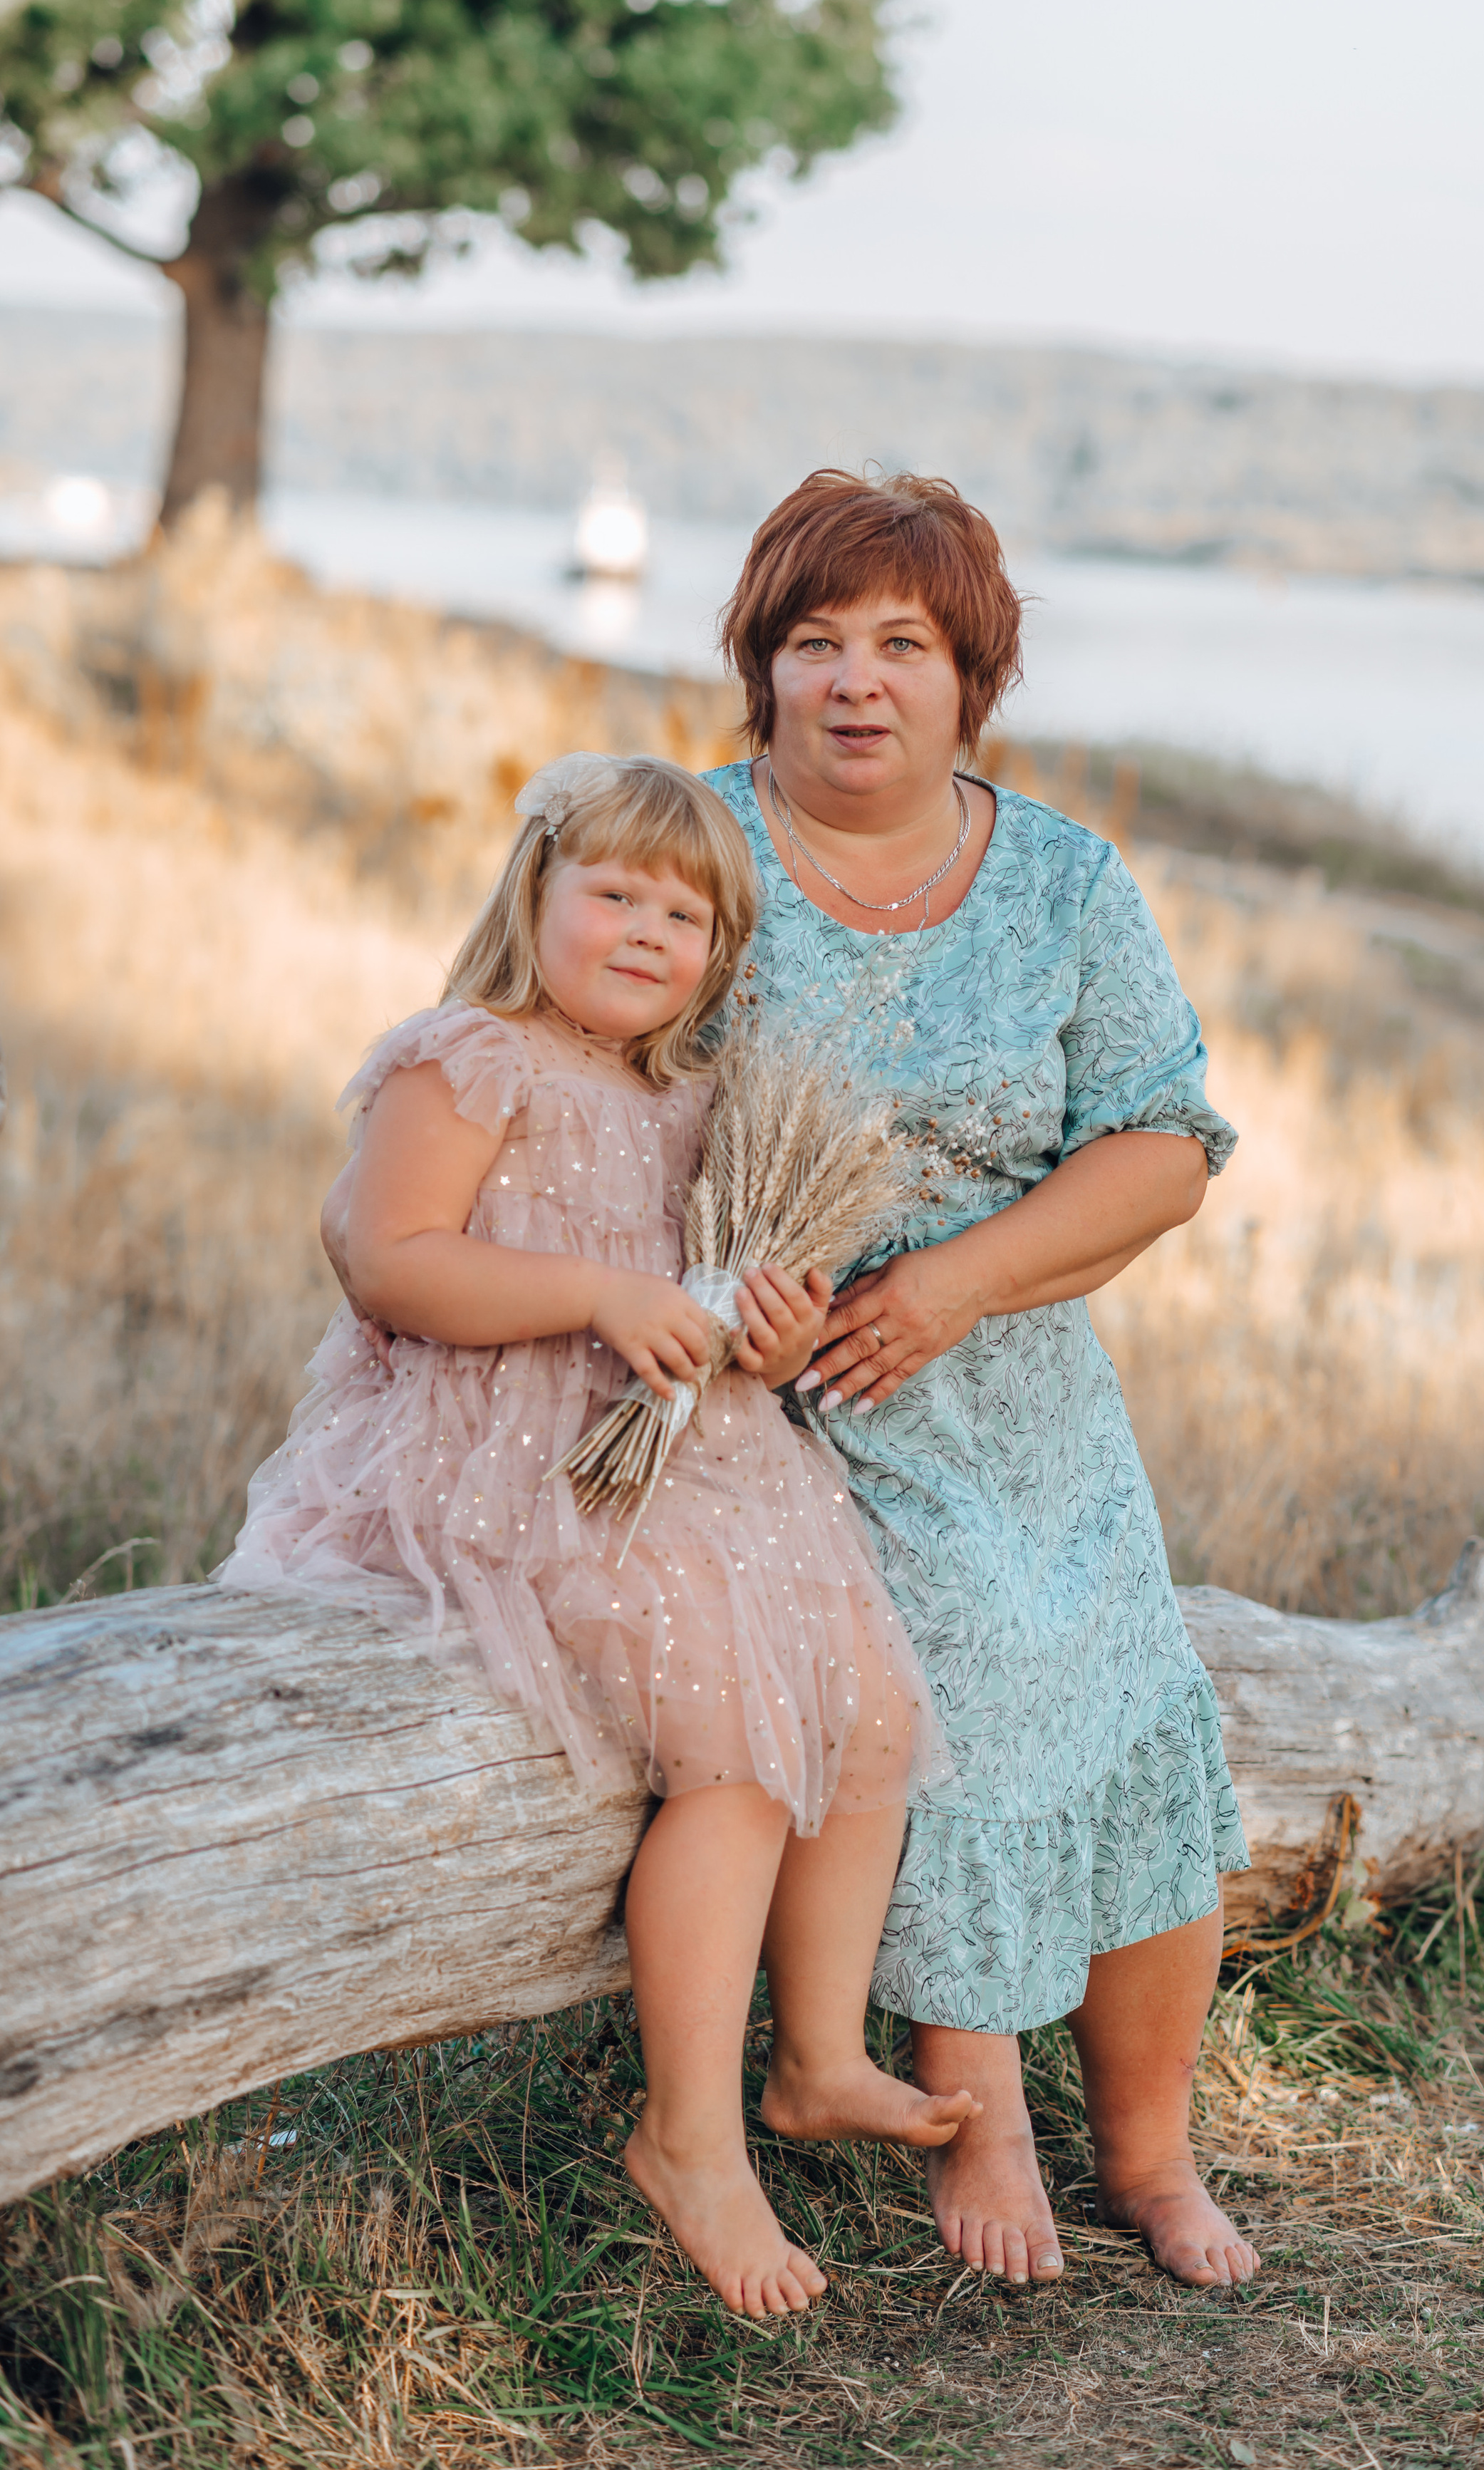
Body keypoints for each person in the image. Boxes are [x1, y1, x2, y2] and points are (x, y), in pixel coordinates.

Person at [219, 753, 974, 2318]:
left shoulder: (699, 1099)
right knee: (739, 1749)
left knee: (876, 1716)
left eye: (685, 912)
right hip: (518, 1457)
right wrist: (598, 1297)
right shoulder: (471, 1060)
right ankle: (686, 2138)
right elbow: (386, 1262)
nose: (648, 927)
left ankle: (817, 2057)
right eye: (615, 890)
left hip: (699, 1461)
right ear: (536, 894)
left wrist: (759, 1334)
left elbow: (711, 1321)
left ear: (720, 950)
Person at [702, 470, 1260, 2292]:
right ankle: (979, 2106)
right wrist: (729, 1304)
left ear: (970, 678)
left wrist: (950, 1284)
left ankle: (1154, 2151)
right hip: (770, 1395)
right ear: (760, 669)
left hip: (1015, 1375)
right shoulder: (692, 848)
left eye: (903, 646)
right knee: (967, 1670)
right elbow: (564, 1091)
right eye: (814, 643)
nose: (856, 682)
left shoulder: (1061, 877)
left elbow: (1163, 1148)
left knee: (1136, 1697)